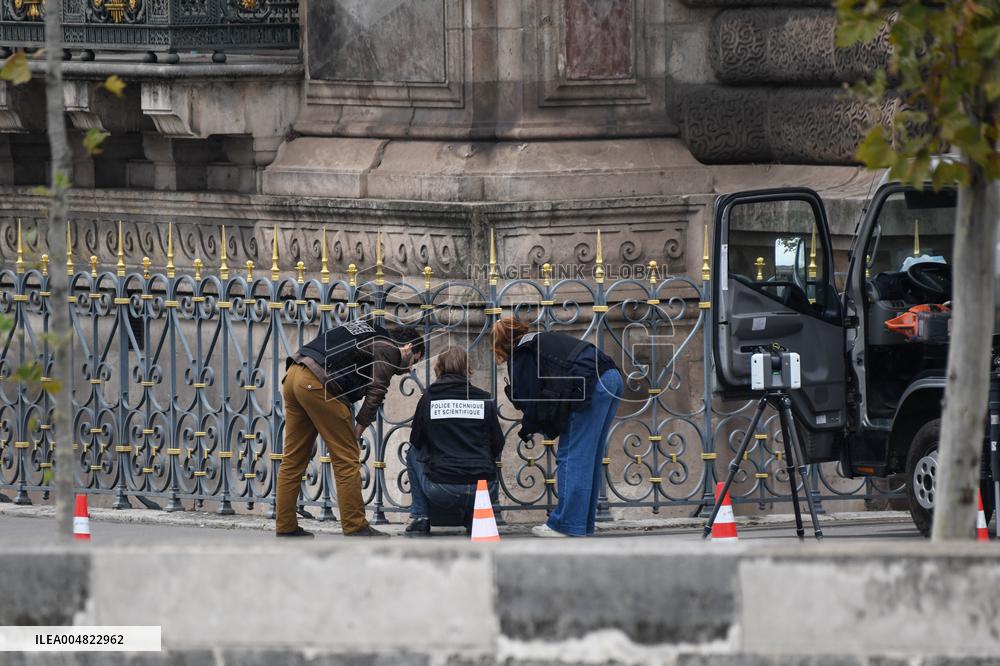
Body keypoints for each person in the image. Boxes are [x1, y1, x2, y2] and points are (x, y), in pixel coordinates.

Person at [276, 320, 424, 537]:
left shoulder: (369, 330)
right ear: (408, 348)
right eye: (414, 361)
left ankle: (285, 525)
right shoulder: (391, 349)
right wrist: (358, 430)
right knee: (346, 458)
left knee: (293, 457)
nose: (410, 368)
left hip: (295, 373)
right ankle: (355, 525)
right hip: (320, 384)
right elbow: (377, 391)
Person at [492, 317, 623, 537]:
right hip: (612, 378)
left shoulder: (522, 352)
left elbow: (531, 400)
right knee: (588, 456)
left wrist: (529, 428)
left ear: (501, 345)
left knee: (572, 455)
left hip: (591, 385)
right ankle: (581, 523)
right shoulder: (540, 339)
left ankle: (564, 524)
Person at [405, 347, 505, 537]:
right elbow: (498, 443)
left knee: (413, 452)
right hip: (483, 488)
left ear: (439, 367)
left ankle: (420, 517)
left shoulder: (429, 398)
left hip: (442, 489)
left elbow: (416, 440)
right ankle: (476, 514)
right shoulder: (483, 398)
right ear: (467, 368)